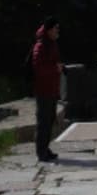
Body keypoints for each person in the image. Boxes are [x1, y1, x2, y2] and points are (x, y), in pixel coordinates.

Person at [31, 16, 63, 163]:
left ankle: (45, 148)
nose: (58, 30)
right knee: (43, 121)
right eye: (56, 28)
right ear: (49, 30)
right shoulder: (41, 45)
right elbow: (38, 67)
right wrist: (54, 68)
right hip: (43, 89)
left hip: (51, 88)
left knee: (49, 120)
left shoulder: (51, 43)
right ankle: (40, 151)